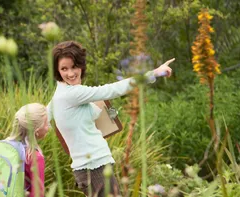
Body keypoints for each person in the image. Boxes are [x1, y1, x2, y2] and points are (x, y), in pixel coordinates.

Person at [48, 41, 174, 197]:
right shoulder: (72, 94)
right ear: (57, 71)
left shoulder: (61, 93)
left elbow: (43, 117)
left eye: (74, 66)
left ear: (81, 65)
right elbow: (113, 89)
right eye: (64, 69)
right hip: (93, 167)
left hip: (93, 166)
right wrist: (153, 73)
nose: (70, 73)